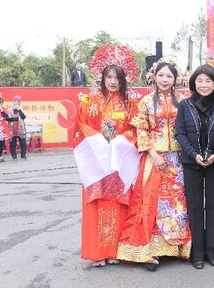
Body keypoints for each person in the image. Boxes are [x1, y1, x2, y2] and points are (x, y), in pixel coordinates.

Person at [117, 56, 191, 271]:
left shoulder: (184, 100)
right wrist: (153, 154)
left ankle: (177, 247)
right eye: (161, 75)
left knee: (178, 204)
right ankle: (150, 250)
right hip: (154, 158)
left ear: (175, 78)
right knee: (150, 202)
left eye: (169, 75)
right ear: (154, 77)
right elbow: (141, 131)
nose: (165, 79)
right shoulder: (146, 102)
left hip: (178, 159)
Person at [73, 44, 141, 267]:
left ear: (123, 80)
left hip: (119, 161)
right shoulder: (89, 101)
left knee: (118, 206)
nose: (113, 81)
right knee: (96, 206)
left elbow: (136, 127)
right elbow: (81, 126)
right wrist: (100, 145)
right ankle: (96, 253)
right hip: (96, 162)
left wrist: (120, 143)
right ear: (102, 78)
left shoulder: (131, 103)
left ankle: (114, 251)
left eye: (117, 78)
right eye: (109, 77)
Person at [175, 64, 214, 269]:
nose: (204, 85)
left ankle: (212, 252)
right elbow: (180, 133)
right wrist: (194, 154)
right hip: (192, 162)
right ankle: (197, 254)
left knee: (213, 207)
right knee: (195, 207)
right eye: (200, 80)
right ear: (194, 83)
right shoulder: (184, 105)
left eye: (208, 81)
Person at [7, 95, 27, 160]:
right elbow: (9, 118)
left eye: (17, 104)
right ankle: (14, 155)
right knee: (13, 143)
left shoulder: (21, 110)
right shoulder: (9, 110)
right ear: (12, 104)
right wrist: (16, 118)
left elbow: (23, 117)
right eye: (14, 103)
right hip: (12, 129)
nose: (15, 105)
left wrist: (19, 110)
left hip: (21, 128)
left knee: (23, 143)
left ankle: (23, 155)